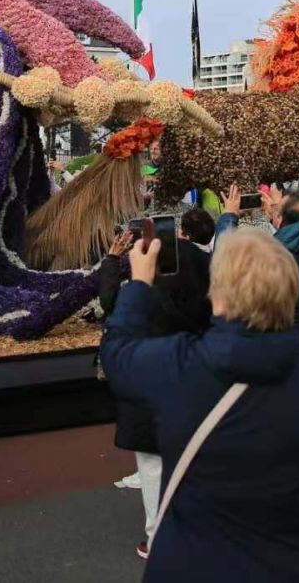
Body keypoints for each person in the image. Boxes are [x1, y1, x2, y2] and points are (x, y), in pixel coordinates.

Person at [100, 225, 299, 580]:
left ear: (218, 297)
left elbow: (117, 353)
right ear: (290, 294)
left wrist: (139, 285)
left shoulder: (178, 367)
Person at [98, 212, 214, 559]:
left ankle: (159, 536)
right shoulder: (201, 263)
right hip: (194, 373)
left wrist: (113, 262)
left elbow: (111, 305)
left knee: (153, 466)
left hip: (149, 379)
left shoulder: (140, 285)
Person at [220, 186, 299, 350]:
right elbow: (294, 236)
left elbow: (224, 261)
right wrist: (277, 216)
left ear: (281, 218)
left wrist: (229, 216)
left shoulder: (270, 253)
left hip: (274, 343)